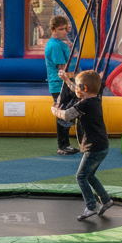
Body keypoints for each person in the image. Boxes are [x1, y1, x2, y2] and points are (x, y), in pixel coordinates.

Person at [52, 68, 112, 222]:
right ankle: (106, 200)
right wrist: (67, 80)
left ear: (84, 89)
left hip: (94, 147)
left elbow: (66, 115)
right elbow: (76, 89)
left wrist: (55, 111)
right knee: (89, 175)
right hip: (102, 145)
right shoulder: (95, 98)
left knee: (81, 176)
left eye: (78, 86)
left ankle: (91, 206)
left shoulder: (85, 105)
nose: (75, 89)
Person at [44, 15, 76, 155]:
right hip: (60, 85)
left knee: (66, 113)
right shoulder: (55, 46)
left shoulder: (59, 43)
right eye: (61, 29)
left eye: (66, 29)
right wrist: (77, 77)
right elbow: (62, 70)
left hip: (61, 84)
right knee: (62, 114)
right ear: (53, 30)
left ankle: (65, 144)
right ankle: (63, 145)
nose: (64, 32)